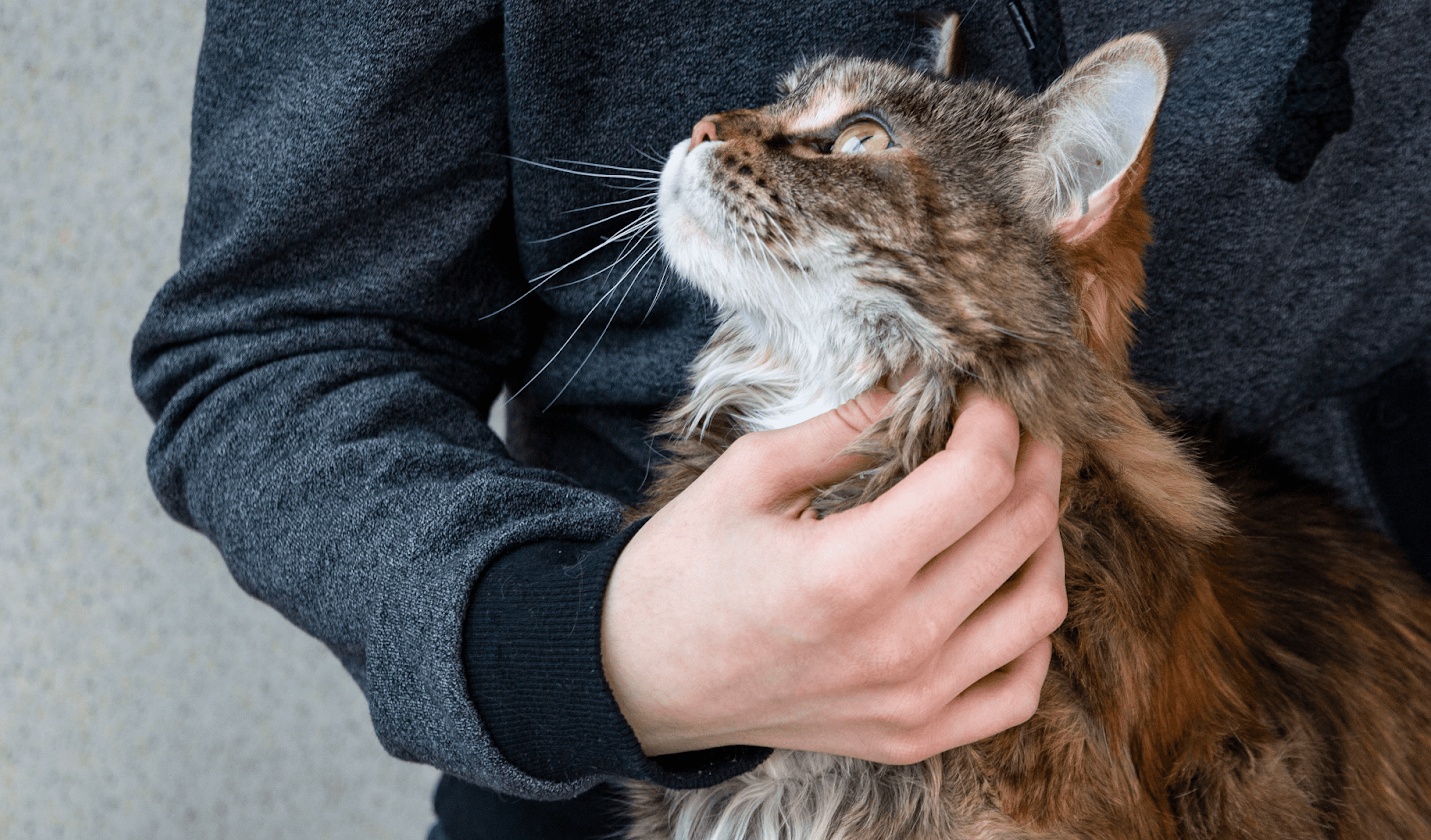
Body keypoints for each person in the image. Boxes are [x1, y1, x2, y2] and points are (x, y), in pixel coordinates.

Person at [131, 1, 1430, 837]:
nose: (720, 130)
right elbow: (273, 340)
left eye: (840, 140)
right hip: (591, 756)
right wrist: (587, 647)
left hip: (1294, 688)